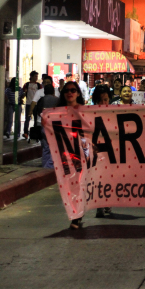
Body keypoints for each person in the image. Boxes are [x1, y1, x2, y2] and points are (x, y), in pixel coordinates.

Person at [57, 81, 86, 229]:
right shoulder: (56, 113)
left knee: (80, 184)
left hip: (81, 154)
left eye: (73, 90)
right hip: (64, 154)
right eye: (67, 90)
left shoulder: (85, 111)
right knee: (69, 184)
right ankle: (75, 213)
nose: (70, 92)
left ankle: (77, 216)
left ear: (78, 93)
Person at [91, 85, 113, 218]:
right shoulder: (89, 112)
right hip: (95, 150)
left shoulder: (114, 112)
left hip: (110, 151)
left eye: (106, 100)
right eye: (101, 100)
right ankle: (100, 203)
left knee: (108, 177)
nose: (104, 103)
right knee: (98, 177)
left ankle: (106, 202)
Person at [35, 84, 59, 169]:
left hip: (44, 126)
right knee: (54, 148)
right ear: (53, 91)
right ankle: (49, 167)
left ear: (44, 92)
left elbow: (37, 112)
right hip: (54, 126)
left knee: (45, 148)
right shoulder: (57, 100)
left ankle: (45, 167)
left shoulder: (41, 100)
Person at [22, 71, 42, 140]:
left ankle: (35, 133)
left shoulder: (38, 85)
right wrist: (25, 92)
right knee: (27, 119)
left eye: (37, 76)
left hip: (36, 104)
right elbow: (23, 94)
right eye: (35, 76)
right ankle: (25, 133)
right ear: (31, 76)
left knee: (36, 120)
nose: (36, 78)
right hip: (28, 104)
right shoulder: (27, 85)